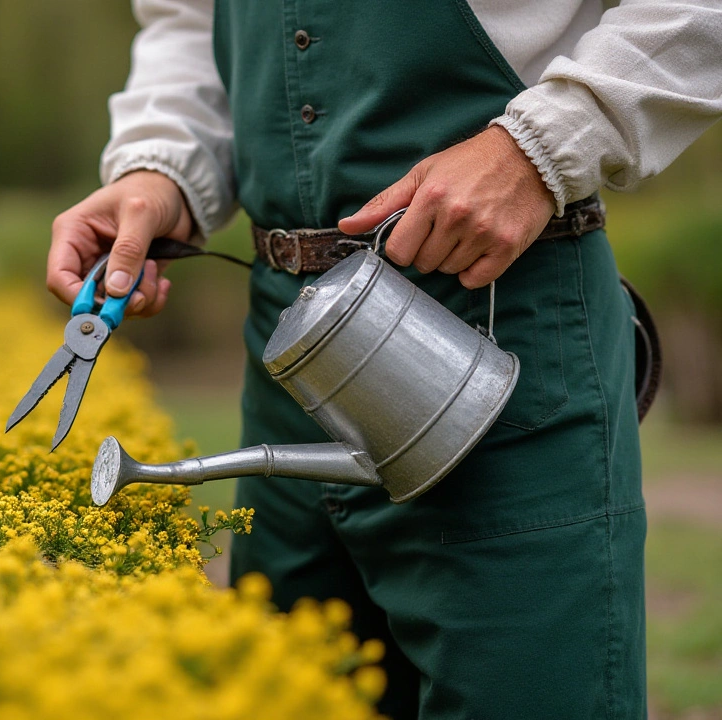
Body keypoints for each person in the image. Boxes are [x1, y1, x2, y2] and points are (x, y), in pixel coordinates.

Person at [45, 1, 722, 718]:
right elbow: (189, 23)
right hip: (289, 351)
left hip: (496, 323)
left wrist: (546, 141)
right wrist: (161, 169)